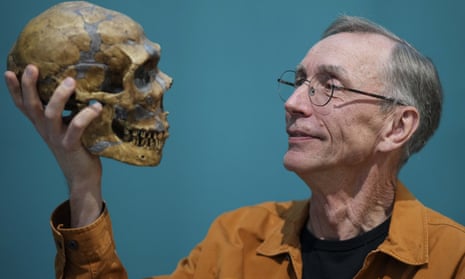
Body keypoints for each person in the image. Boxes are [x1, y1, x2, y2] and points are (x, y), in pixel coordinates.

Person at [4, 15, 465, 279]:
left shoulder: (453, 260)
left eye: (329, 86)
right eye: (299, 80)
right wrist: (83, 183)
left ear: (397, 127)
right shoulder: (235, 241)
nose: (291, 103)